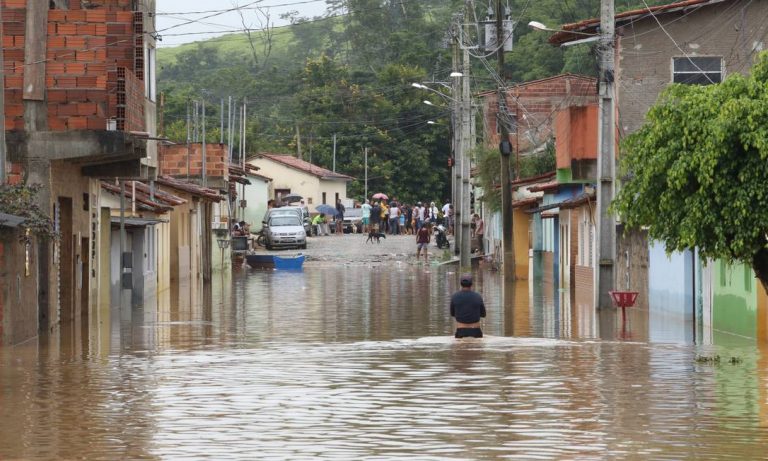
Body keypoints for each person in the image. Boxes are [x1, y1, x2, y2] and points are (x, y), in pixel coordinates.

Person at [450, 274, 486, 338]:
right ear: (471, 284)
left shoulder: (454, 297)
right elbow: (483, 314)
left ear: (461, 284)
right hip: (476, 331)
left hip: (460, 331)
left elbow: (452, 314)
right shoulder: (478, 296)